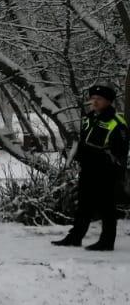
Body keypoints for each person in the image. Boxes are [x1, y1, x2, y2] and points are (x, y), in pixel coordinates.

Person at [52, 84, 129, 251]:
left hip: (106, 172)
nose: (94, 102)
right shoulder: (89, 118)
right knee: (84, 206)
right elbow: (84, 141)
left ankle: (107, 241)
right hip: (88, 169)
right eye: (92, 98)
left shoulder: (116, 122)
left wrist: (110, 163)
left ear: (108, 102)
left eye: (98, 99)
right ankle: (75, 237)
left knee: (107, 207)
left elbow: (121, 151)